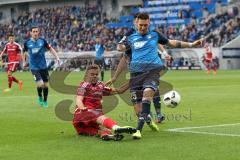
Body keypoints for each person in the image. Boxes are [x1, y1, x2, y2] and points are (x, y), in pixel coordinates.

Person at [117, 13, 202, 139]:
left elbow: (171, 43)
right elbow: (120, 49)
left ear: (149, 22)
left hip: (152, 71)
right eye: (140, 25)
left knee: (147, 94)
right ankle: (148, 119)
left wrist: (191, 44)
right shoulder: (130, 36)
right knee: (137, 108)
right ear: (136, 22)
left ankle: (138, 130)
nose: (143, 28)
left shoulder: (154, 34)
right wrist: (122, 44)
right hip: (135, 73)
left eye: (145, 25)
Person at [73, 64, 136, 141]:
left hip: (88, 123)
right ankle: (116, 127)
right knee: (98, 116)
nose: (94, 76)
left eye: (96, 74)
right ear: (86, 75)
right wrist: (82, 108)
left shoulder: (101, 86)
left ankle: (107, 136)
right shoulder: (84, 85)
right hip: (83, 114)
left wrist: (132, 81)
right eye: (92, 74)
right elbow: (79, 99)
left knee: (105, 130)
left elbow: (119, 90)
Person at [23, 26, 60, 108]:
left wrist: (57, 57)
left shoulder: (42, 41)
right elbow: (24, 51)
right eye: (34, 31)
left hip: (43, 67)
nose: (35, 33)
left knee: (46, 85)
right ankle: (40, 97)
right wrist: (25, 62)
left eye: (37, 31)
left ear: (38, 32)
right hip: (34, 67)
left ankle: (45, 101)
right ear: (30, 33)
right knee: (40, 84)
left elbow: (51, 49)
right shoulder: (27, 43)